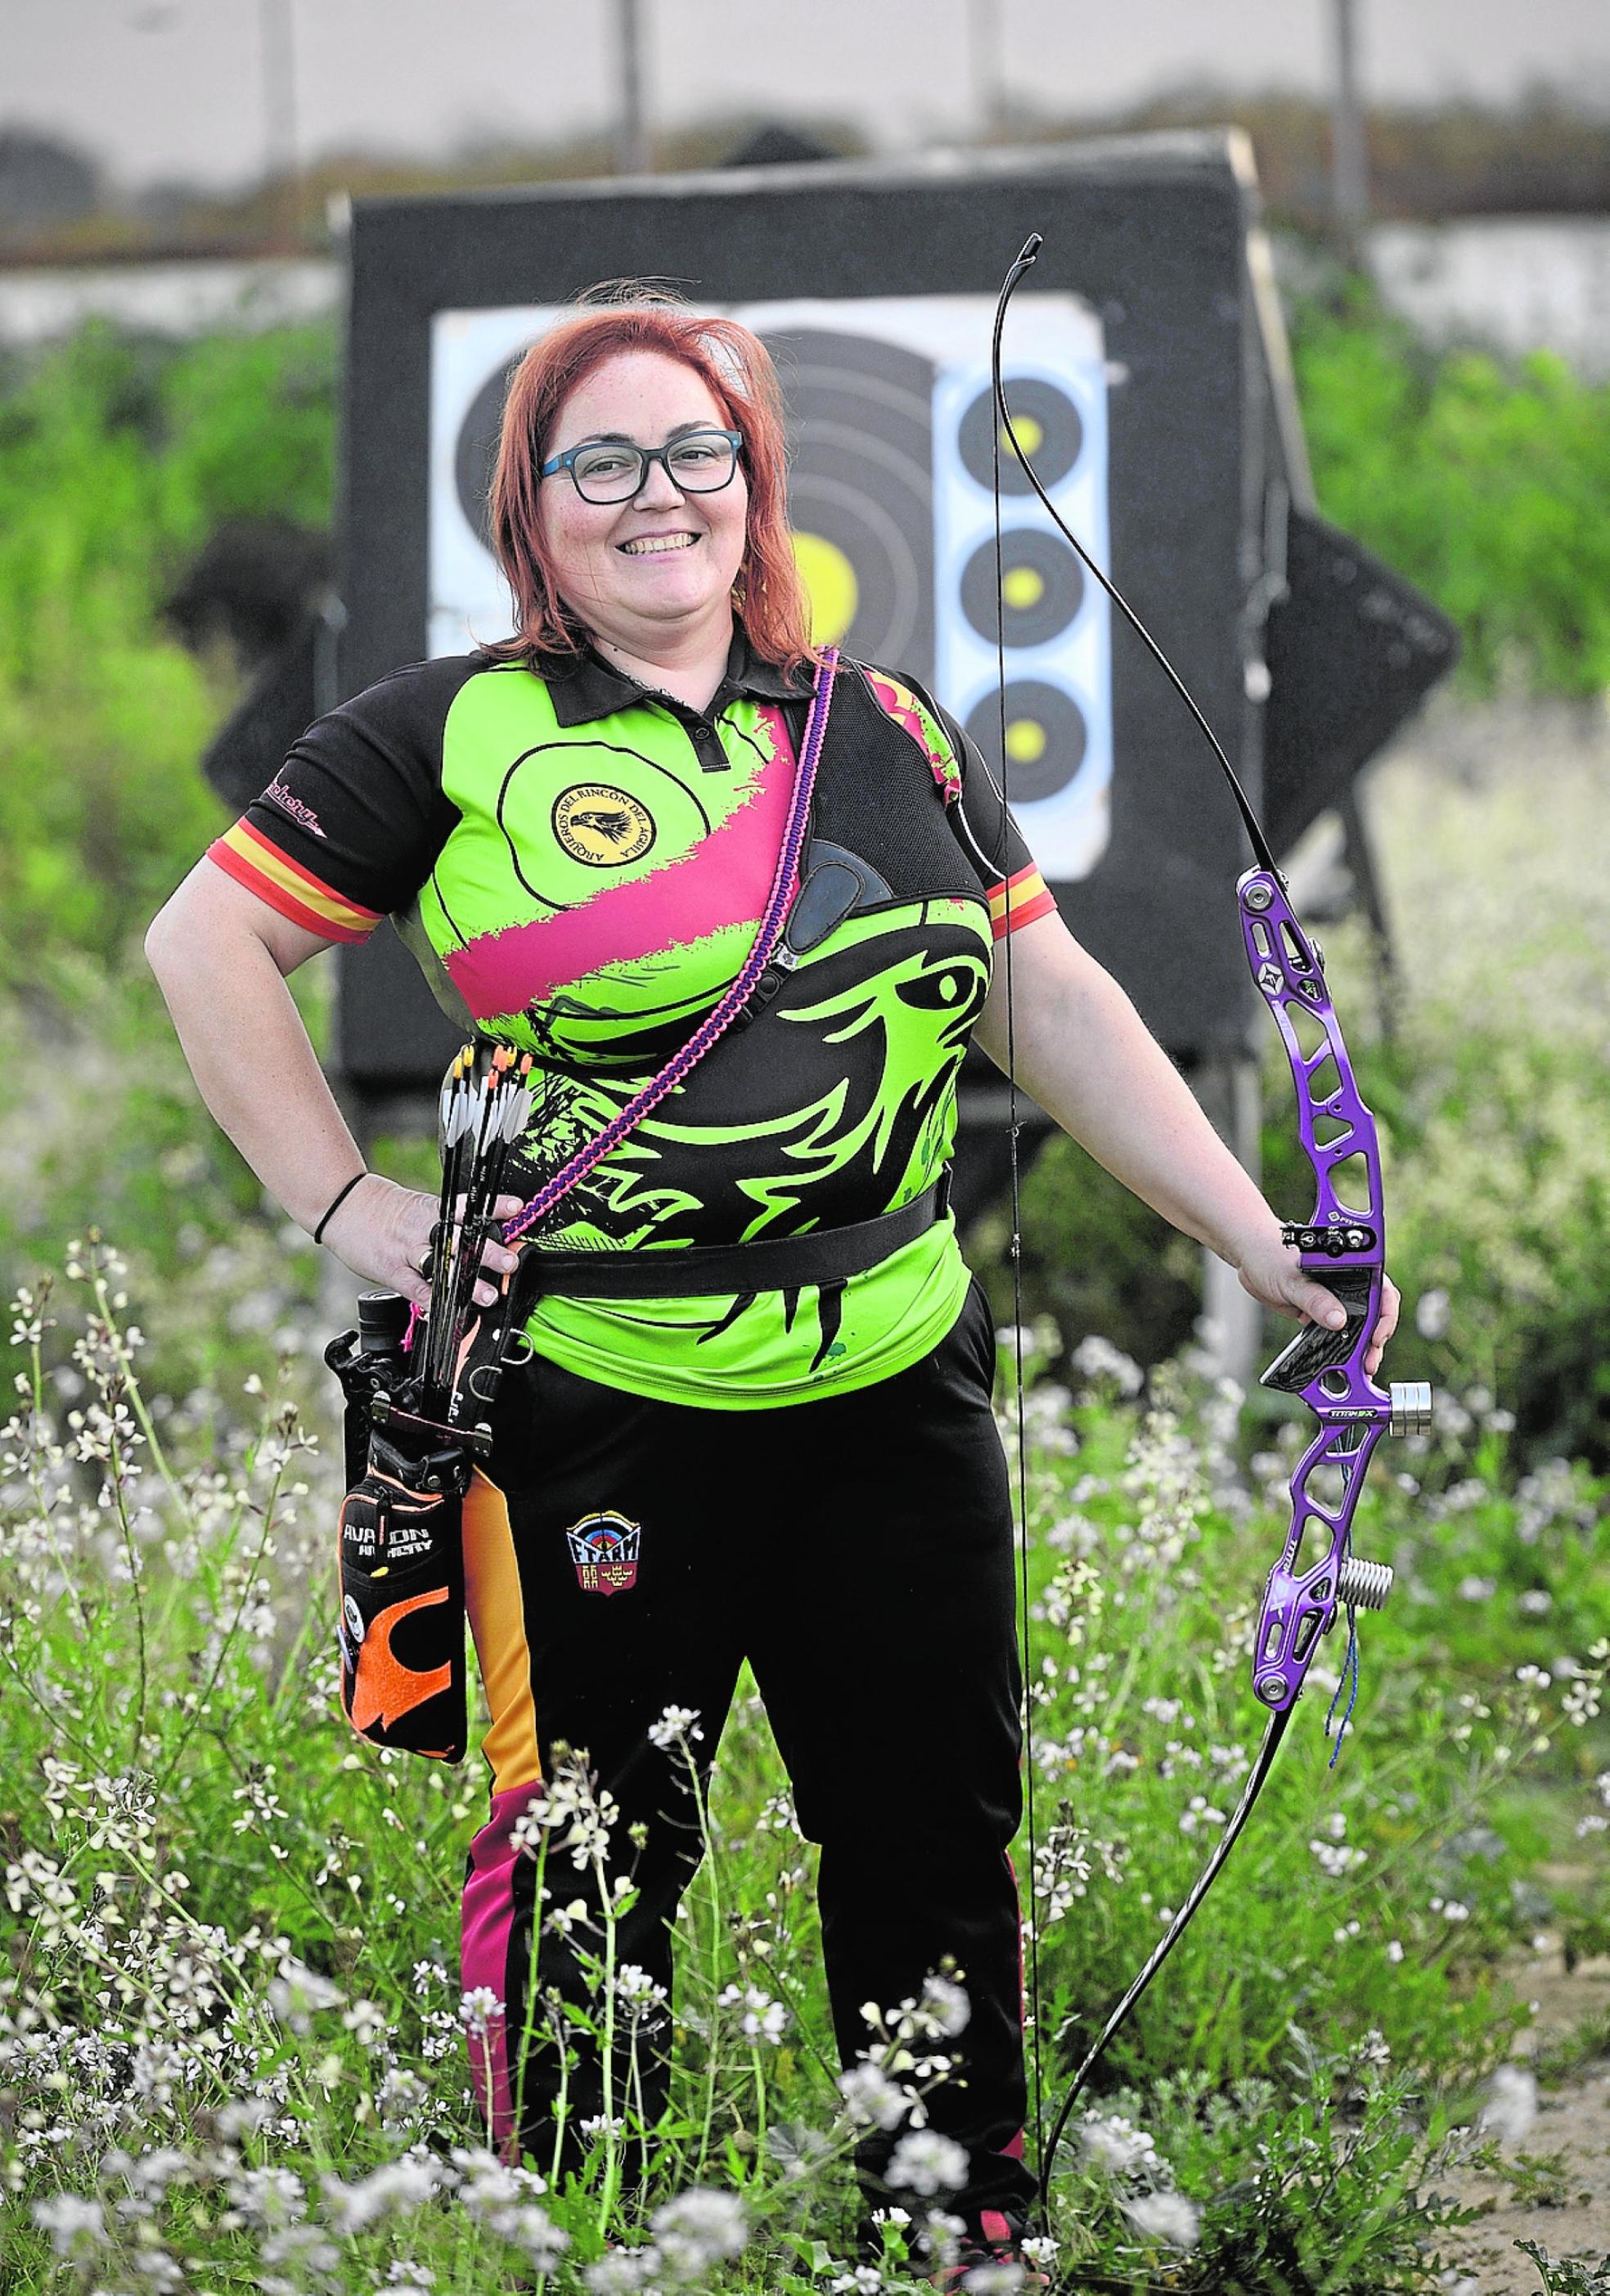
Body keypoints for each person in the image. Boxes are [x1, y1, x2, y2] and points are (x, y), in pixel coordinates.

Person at [145, 287, 1398, 2287]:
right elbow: (203, 946)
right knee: (589, 1874)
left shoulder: (887, 726)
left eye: (700, 451)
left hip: (899, 1383)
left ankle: (962, 2239)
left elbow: (1043, 999)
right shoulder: (445, 733)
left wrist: (1256, 1232)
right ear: (531, 509)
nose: (663, 496)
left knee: (927, 1844)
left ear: (758, 483)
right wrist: (343, 1207)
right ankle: (590, 2246)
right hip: (599, 1406)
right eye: (605, 462)